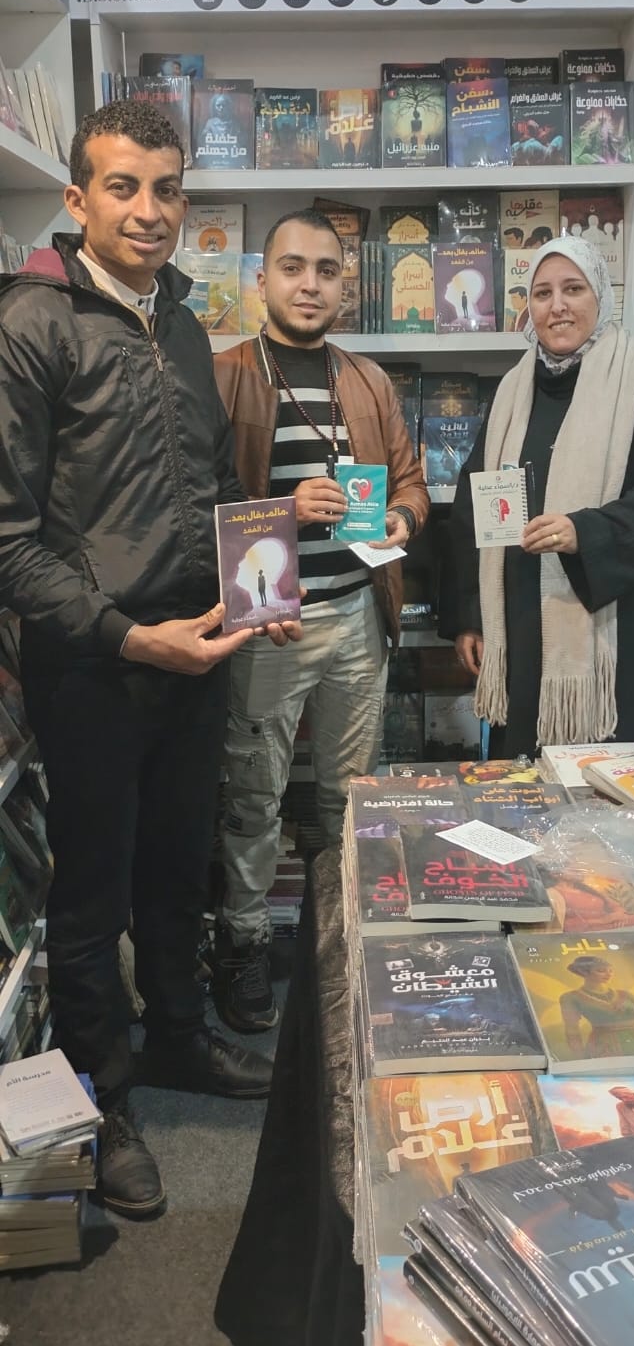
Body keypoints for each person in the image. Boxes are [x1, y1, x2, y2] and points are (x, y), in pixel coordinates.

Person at [0, 101, 302, 1219]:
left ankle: (177, 1034)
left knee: (179, 866)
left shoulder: (179, 319)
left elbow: (214, 485)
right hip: (96, 665)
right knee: (92, 896)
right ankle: (105, 1095)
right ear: (76, 199)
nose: (148, 209)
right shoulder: (32, 323)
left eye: (167, 188)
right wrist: (129, 637)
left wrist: (258, 590)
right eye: (123, 186)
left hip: (199, 646)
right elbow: (9, 539)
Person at [213, 208, 429, 1031]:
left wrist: (402, 519)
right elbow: (194, 504)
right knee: (252, 797)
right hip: (267, 620)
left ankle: (337, 943)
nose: (309, 285)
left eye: (326, 271)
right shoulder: (224, 375)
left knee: (347, 798)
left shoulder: (367, 380)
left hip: (358, 618)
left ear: (347, 285)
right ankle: (241, 944)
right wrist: (284, 509)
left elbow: (410, 483)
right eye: (292, 268)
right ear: (262, 279)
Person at [439, 237, 634, 757]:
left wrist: (586, 531)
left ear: (600, 295)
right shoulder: (512, 391)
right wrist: (471, 617)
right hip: (523, 627)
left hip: (622, 631)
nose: (557, 306)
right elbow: (474, 507)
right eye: (542, 293)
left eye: (573, 289)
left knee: (620, 786)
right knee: (531, 787)